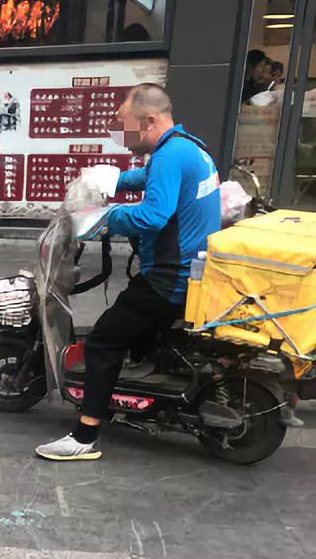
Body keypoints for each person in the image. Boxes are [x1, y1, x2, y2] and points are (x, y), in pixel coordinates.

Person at [36, 84, 222, 461]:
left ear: (150, 120)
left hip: (170, 277)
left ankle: (84, 436)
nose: (120, 135)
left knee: (104, 340)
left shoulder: (171, 156)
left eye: (124, 125)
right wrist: (109, 182)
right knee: (132, 331)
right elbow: (150, 178)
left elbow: (153, 215)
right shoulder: (187, 146)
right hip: (193, 270)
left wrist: (102, 219)